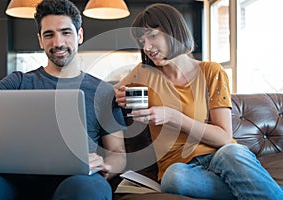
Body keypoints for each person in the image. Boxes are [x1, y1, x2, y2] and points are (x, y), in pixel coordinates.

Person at [115, 3, 283, 200]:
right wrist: (117, 95)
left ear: (173, 30)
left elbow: (224, 138)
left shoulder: (211, 71)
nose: (147, 47)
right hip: (181, 168)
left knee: (231, 152)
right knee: (173, 179)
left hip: (221, 156)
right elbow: (103, 93)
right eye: (142, 41)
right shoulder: (144, 73)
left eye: (152, 36)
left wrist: (173, 117)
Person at [0, 0, 126, 199]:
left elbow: (118, 152)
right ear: (40, 40)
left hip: (77, 180)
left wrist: (105, 166)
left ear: (80, 35)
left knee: (87, 190)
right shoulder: (17, 82)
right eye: (49, 34)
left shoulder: (102, 91)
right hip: (16, 179)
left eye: (66, 32)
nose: (58, 43)